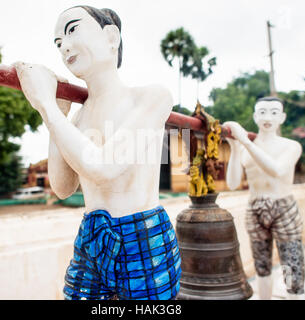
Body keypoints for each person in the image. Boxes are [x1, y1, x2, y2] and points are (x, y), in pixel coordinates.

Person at [13, 5, 181, 300]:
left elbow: (104, 169)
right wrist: (58, 118)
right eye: (57, 43)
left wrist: (47, 107)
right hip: (91, 236)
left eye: (72, 30)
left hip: (142, 233)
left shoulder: (151, 96)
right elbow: (63, 188)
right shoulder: (77, 120)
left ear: (111, 37)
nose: (64, 46)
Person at [224, 97, 305, 300]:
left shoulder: (291, 146)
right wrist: (235, 148)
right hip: (255, 207)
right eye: (262, 112)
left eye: (274, 112)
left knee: (292, 265)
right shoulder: (245, 148)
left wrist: (244, 141)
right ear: (254, 116)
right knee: (261, 266)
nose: (267, 117)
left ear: (282, 117)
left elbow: (276, 170)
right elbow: (232, 184)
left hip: (283, 207)